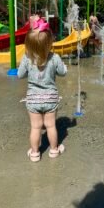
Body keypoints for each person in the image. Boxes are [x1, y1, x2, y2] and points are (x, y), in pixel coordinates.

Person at [17, 18, 67, 162]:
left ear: (28, 44)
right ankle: (54, 150)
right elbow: (63, 73)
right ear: (50, 42)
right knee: (51, 126)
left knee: (35, 127)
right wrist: (64, 66)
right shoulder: (54, 57)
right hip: (50, 98)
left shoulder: (27, 58)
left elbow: (20, 75)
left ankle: (34, 153)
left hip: (33, 99)